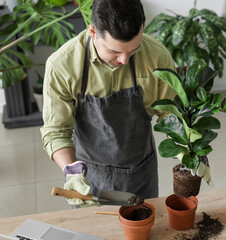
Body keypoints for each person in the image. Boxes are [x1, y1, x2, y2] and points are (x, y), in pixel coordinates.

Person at [41, 0, 176, 207]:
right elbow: (56, 132)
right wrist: (72, 171)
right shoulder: (62, 66)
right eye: (114, 52)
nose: (124, 60)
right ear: (93, 32)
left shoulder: (157, 57)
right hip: (89, 178)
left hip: (141, 171)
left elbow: (169, 114)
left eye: (133, 51)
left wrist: (186, 148)